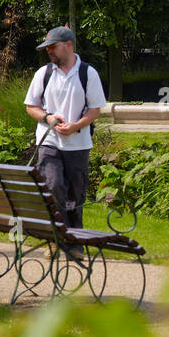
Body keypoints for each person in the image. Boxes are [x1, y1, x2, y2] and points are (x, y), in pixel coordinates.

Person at [24, 26, 107, 248]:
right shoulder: (44, 73)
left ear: (68, 45)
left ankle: (74, 243)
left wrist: (76, 126)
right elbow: (31, 106)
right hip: (49, 141)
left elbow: (95, 110)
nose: (49, 51)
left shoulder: (88, 73)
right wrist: (48, 118)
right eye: (47, 48)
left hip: (78, 143)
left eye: (53, 47)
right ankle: (55, 239)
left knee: (74, 197)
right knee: (53, 187)